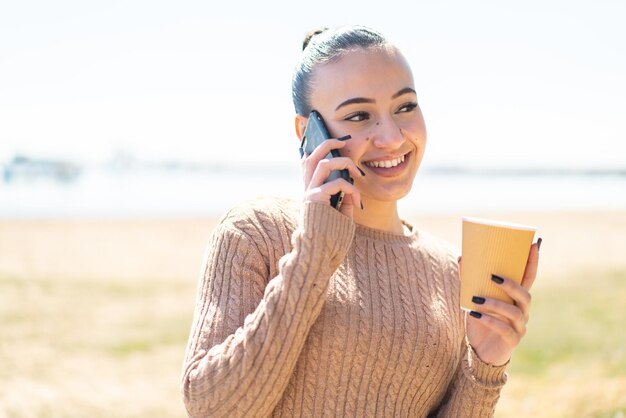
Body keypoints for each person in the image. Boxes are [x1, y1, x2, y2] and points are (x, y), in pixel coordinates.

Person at [180, 25, 541, 417]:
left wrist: (485, 365)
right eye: (358, 115)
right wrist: (314, 254)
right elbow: (212, 409)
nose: (391, 137)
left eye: (405, 107)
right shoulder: (256, 231)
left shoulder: (450, 271)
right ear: (308, 132)